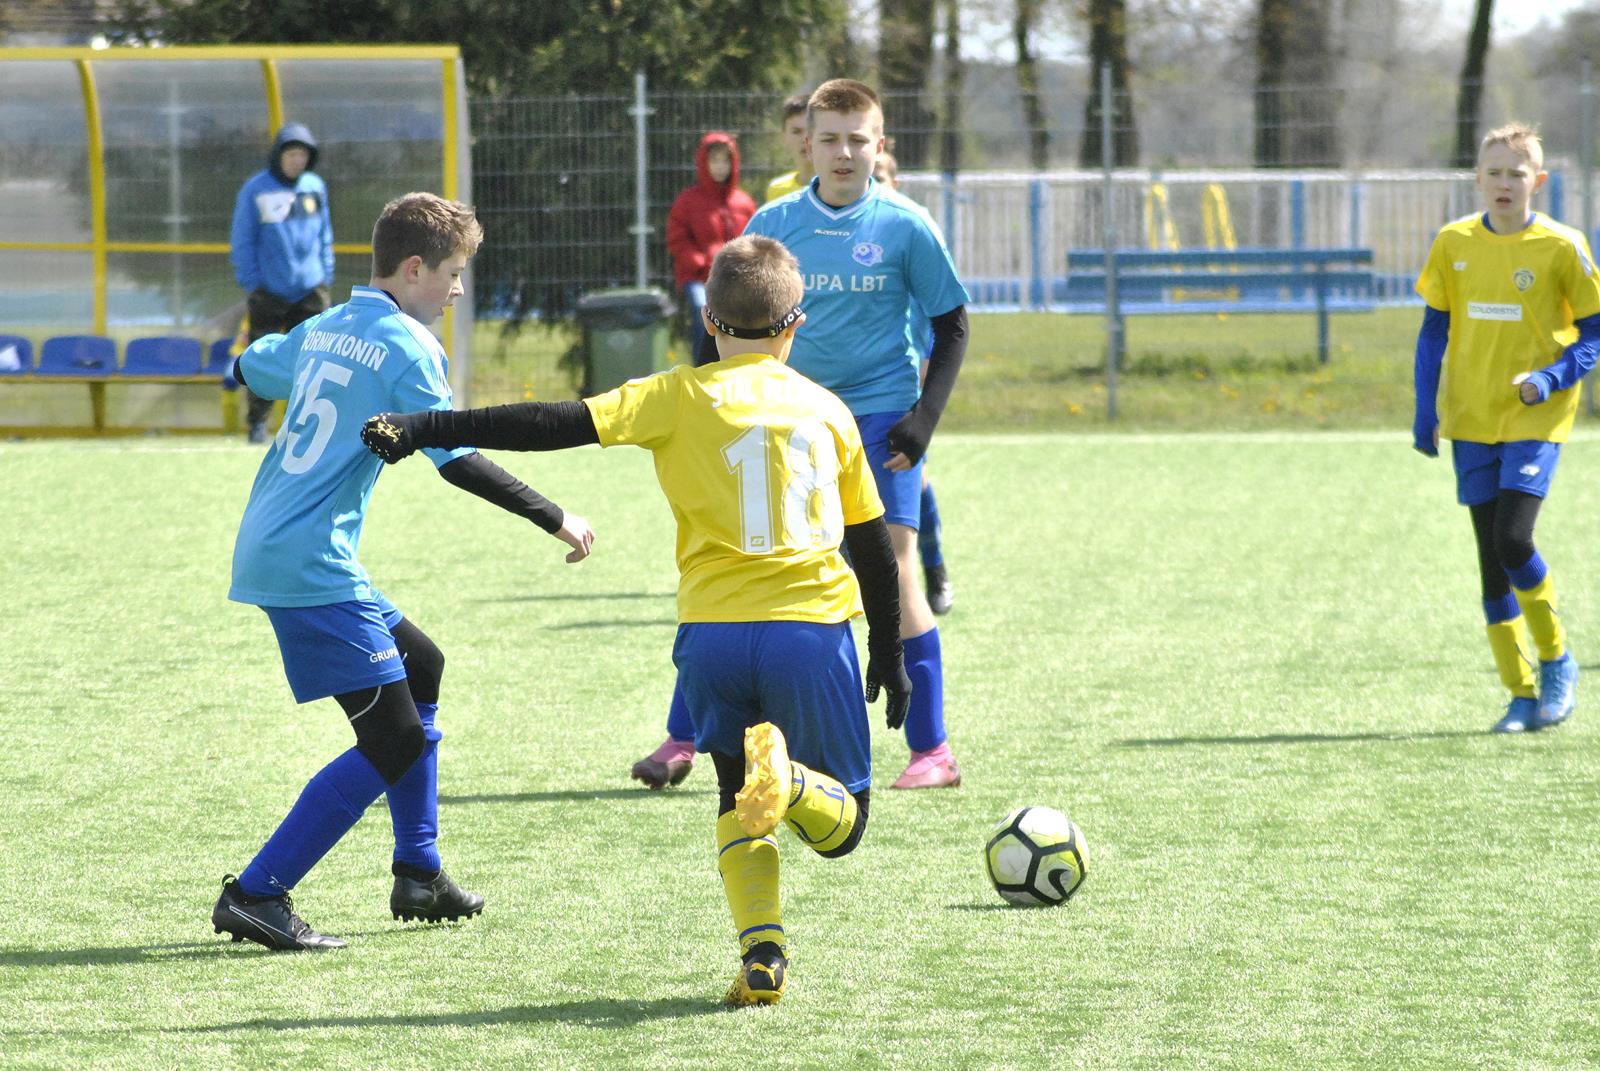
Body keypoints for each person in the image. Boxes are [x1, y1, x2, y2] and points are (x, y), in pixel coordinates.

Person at [361, 233, 911, 1007]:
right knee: (843, 823)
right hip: (808, 631)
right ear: (798, 323)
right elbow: (874, 551)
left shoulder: (675, 395)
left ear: (710, 320)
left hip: (713, 638)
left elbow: (549, 420)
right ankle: (786, 780)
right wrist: (888, 654)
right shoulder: (828, 409)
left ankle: (763, 956)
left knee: (733, 802)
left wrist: (428, 426)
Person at [211, 192, 595, 951]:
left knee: (423, 665)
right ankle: (258, 893)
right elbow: (455, 457)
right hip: (309, 561)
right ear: (414, 268)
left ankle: (419, 873)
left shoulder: (327, 324)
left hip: (280, 541)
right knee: (393, 741)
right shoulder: (409, 347)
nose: (458, 290)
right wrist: (554, 515)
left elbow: (252, 367)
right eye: (453, 274)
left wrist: (240, 361)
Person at [633, 78, 970, 791]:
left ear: (879, 146)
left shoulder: (907, 225)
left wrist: (925, 416)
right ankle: (681, 735)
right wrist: (701, 402)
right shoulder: (776, 222)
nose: (844, 152)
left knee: (896, 563)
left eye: (859, 139)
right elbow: (720, 316)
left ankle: (931, 748)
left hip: (880, 419)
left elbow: (952, 321)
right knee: (745, 567)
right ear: (806, 144)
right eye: (830, 138)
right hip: (791, 419)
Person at [1413, 121, 1600, 733]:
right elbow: (1433, 330)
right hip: (1470, 416)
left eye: (1516, 173)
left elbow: (1594, 333)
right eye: (1493, 171)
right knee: (1491, 562)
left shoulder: (1562, 246)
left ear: (1537, 182)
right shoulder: (1453, 242)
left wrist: (1550, 378)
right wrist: (1424, 407)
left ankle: (1557, 659)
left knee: (1514, 540)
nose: (1503, 183)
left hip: (1536, 415)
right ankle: (1520, 695)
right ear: (1477, 178)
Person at [874, 148, 955, 616]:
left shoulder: (909, 233)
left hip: (908, 382)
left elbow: (940, 318)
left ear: (895, 181)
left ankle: (935, 565)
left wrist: (928, 377)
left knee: (915, 475)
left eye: (884, 176)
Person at [230, 122, 335, 444]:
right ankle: (257, 424)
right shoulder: (256, 189)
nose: (297, 160)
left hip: (311, 290)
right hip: (269, 292)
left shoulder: (315, 186)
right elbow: (242, 239)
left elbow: (324, 234)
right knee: (263, 360)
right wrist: (252, 283)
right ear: (278, 155)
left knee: (318, 360)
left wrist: (325, 273)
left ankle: (311, 424)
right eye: (292, 153)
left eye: (303, 154)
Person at [666, 131, 758, 366]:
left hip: (736, 277)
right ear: (703, 163)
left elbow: (753, 239)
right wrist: (700, 263)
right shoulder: (687, 201)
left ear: (733, 163)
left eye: (724, 161)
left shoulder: (744, 203)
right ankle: (702, 367)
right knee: (702, 310)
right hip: (699, 278)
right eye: (713, 160)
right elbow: (677, 239)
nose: (719, 167)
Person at [764, 93, 814, 203]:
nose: (805, 139)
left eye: (811, 131)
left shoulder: (843, 189)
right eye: (797, 131)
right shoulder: (777, 190)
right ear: (783, 137)